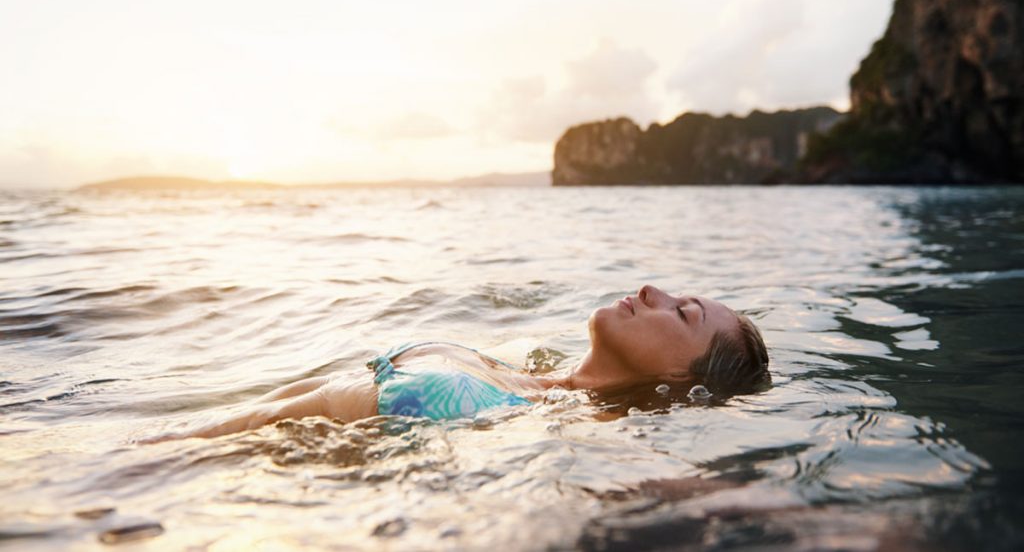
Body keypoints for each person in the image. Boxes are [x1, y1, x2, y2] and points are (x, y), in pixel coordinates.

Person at [156, 285, 770, 440]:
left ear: (681, 380)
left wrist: (134, 458)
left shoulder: (500, 413)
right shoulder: (524, 378)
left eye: (683, 313)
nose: (649, 293)